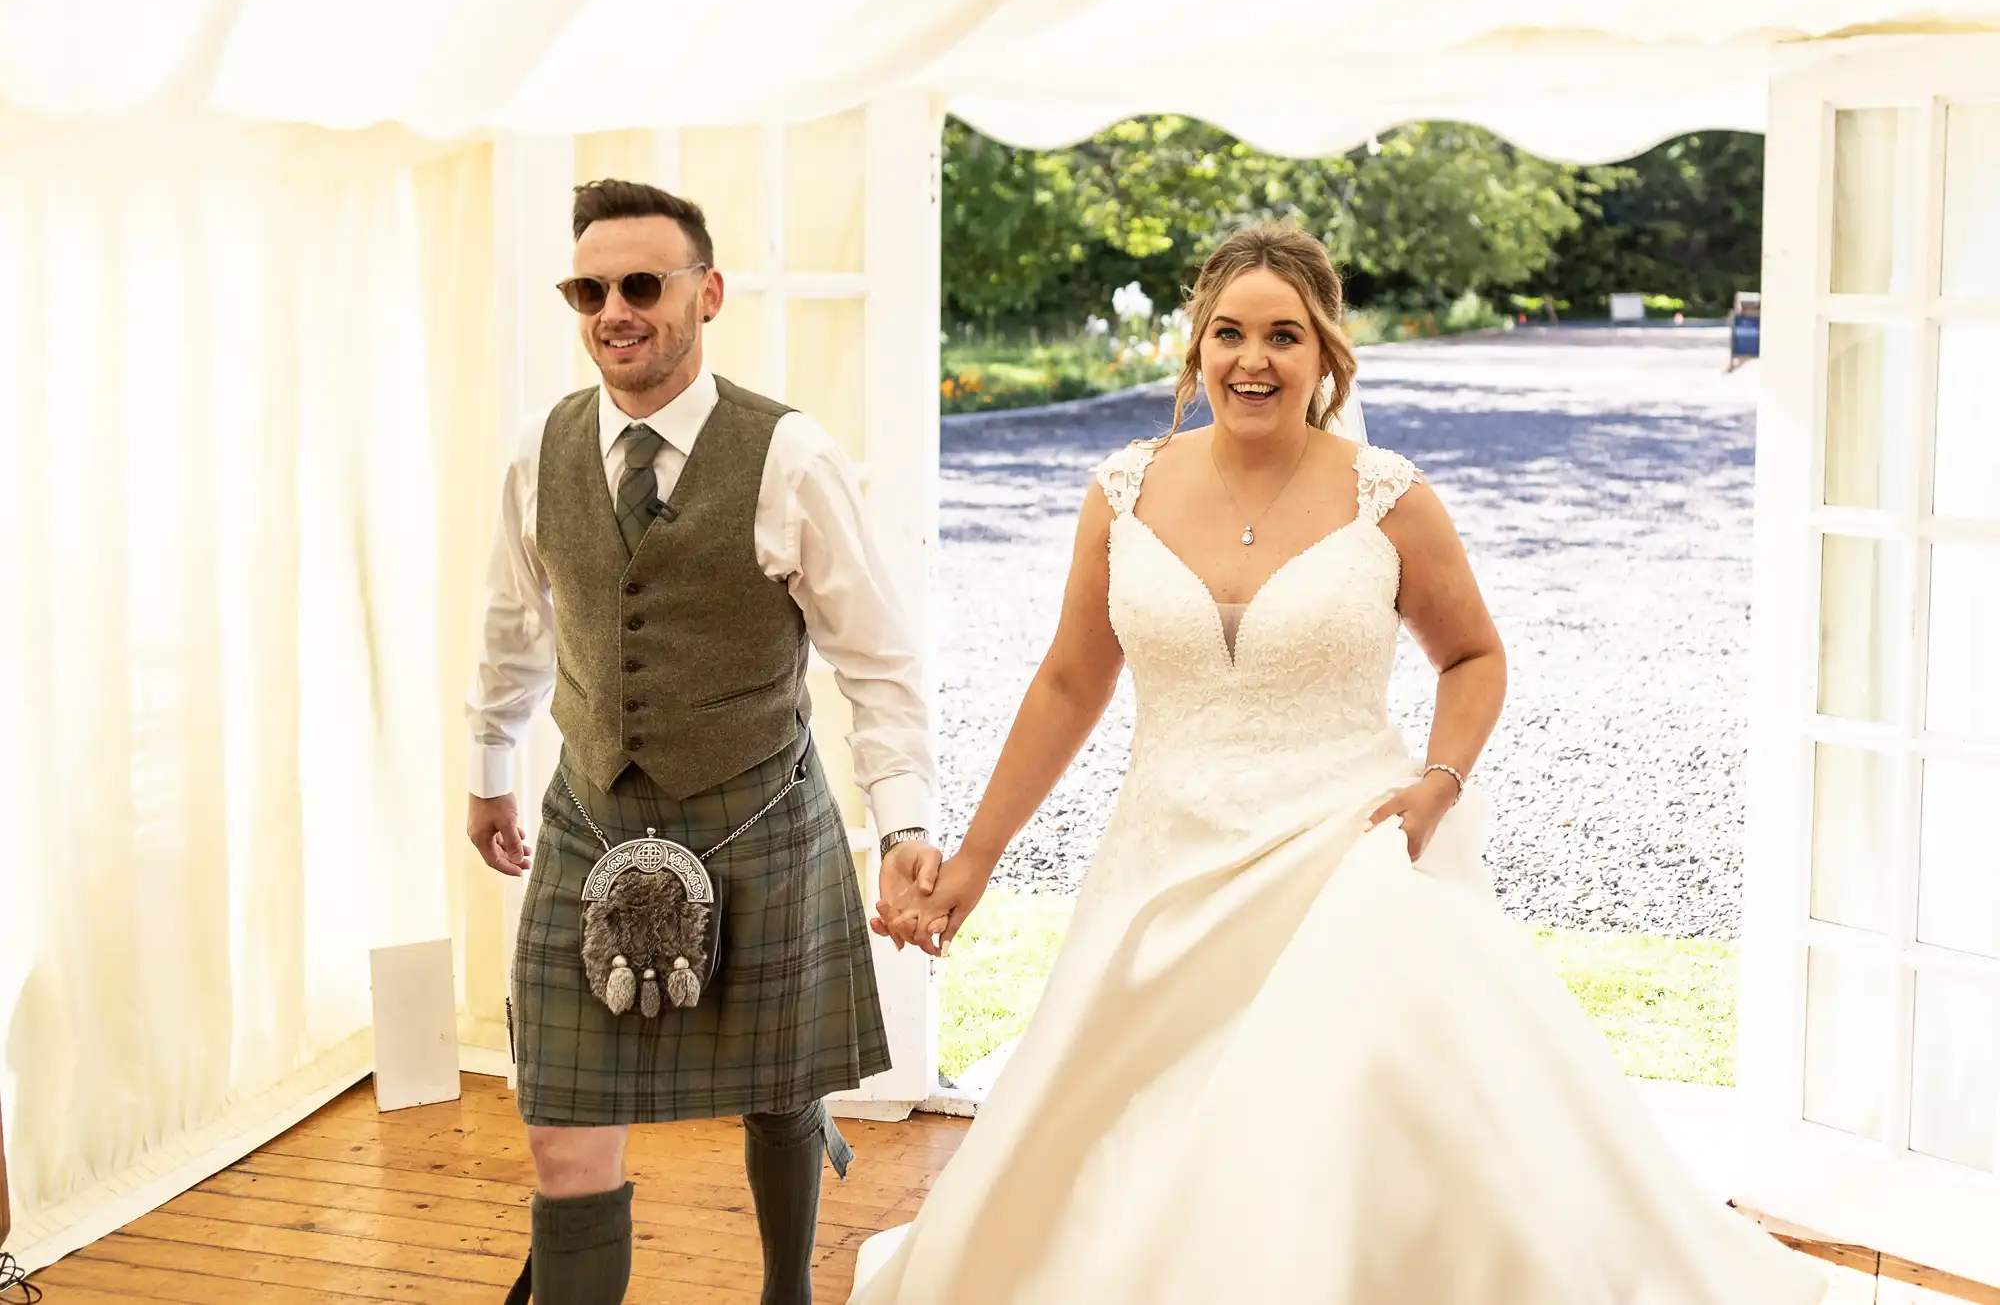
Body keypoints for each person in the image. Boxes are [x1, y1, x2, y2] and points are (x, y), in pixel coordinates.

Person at [851, 223, 1826, 1304]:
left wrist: (1439, 782)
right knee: (1124, 1135)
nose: (1252, 359)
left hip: (1347, 854)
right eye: (1227, 333)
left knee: (1330, 1128)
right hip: (1161, 867)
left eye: (1283, 334)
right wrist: (976, 858)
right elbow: (1069, 683)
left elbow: (1473, 655)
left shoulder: (1387, 497)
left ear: (1325, 357)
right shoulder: (1122, 491)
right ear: (1194, 348)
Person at [465, 179, 942, 1305]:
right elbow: (512, 627)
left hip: (756, 811)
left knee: (779, 1088)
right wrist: (489, 770)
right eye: (588, 288)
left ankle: (787, 1291)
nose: (612, 310)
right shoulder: (541, 452)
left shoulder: (790, 457)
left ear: (707, 293)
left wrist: (907, 820)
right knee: (562, 1116)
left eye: (641, 283)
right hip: (587, 816)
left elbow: (876, 660)